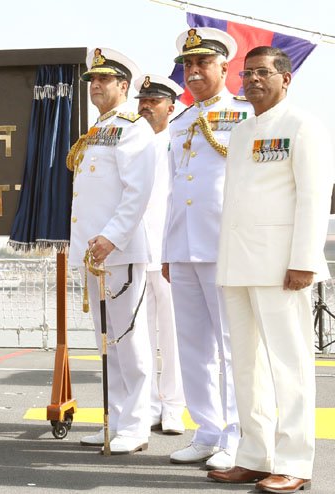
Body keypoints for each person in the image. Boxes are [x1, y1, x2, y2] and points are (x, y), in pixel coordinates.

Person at [208, 46, 332, 493]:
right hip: (238, 264)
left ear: (286, 78)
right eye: (247, 73)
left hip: (282, 266)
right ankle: (255, 456)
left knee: (289, 366)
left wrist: (304, 261)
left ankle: (295, 462)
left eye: (263, 72)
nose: (253, 80)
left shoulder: (302, 125)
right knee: (246, 366)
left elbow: (313, 198)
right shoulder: (242, 132)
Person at [162, 27, 252, 470]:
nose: (193, 71)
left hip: (224, 245)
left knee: (233, 347)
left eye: (203, 62)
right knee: (192, 347)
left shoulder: (245, 115)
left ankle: (236, 436)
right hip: (183, 245)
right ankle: (207, 430)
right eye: (188, 64)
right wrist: (167, 248)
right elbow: (174, 189)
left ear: (224, 67)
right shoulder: (179, 121)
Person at [68, 47, 157, 454]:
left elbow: (137, 192)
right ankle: (115, 420)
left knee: (130, 341)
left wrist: (112, 237)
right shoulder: (96, 130)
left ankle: (136, 426)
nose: (96, 85)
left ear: (124, 85)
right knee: (107, 342)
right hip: (95, 253)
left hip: (117, 251)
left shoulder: (133, 129)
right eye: (93, 80)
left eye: (104, 79)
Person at [132, 73, 186, 436]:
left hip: (169, 251)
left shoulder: (181, 141)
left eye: (154, 101)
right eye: (142, 101)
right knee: (140, 337)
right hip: (136, 250)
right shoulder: (130, 141)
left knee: (173, 335)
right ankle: (148, 404)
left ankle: (173, 406)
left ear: (171, 106)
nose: (146, 106)